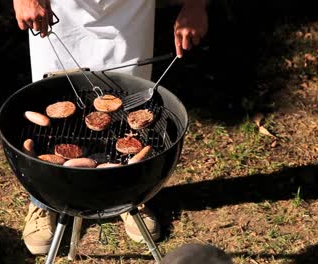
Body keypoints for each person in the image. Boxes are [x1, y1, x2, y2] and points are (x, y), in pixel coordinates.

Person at [13, 0, 208, 255]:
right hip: (60, 7)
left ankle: (130, 197)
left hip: (128, 9)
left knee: (130, 94)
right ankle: (43, 200)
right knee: (52, 92)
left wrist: (195, 4)